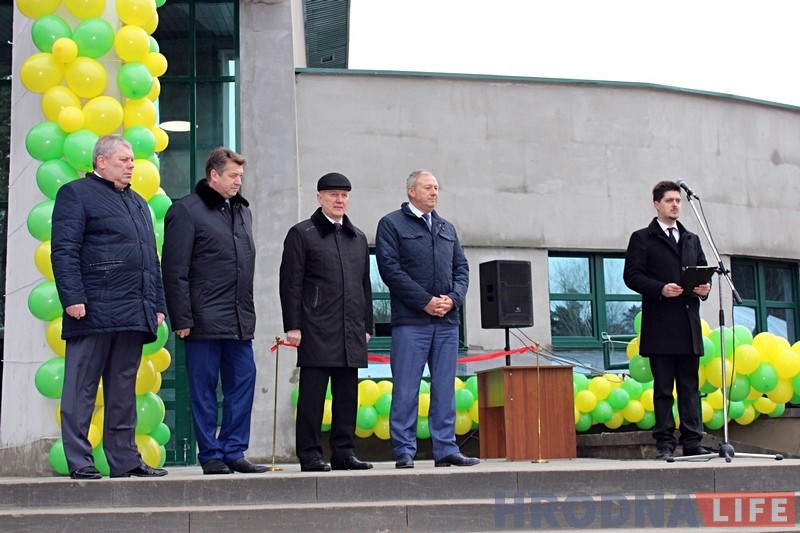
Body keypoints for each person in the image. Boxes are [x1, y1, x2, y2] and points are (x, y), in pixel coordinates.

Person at [51, 135, 168, 479]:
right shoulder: (76, 194)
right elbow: (64, 249)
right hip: (92, 310)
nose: (131, 165)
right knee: (81, 389)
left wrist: (157, 303)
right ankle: (80, 461)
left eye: (131, 160)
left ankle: (125, 459)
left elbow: (150, 258)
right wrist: (72, 297)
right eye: (123, 160)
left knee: (122, 391)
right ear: (101, 162)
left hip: (132, 311)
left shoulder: (137, 201)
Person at [161, 147, 265, 475]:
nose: (238, 182)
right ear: (214, 175)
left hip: (239, 318)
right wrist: (182, 317)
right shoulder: (186, 211)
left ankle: (234, 450)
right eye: (232, 176)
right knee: (204, 389)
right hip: (202, 319)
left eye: (240, 176)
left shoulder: (242, 211)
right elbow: (174, 269)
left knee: (243, 382)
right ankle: (210, 454)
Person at [375, 169, 478, 469]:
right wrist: (425, 302)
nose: (434, 192)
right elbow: (390, 270)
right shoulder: (391, 224)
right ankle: (404, 451)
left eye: (436, 188)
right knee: (407, 389)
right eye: (428, 187)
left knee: (444, 389)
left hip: (446, 323)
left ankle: (445, 448)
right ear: (411, 191)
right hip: (411, 323)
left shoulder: (447, 228)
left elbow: (461, 268)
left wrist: (453, 299)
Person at [279, 172, 374, 472]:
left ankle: (344, 452)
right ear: (319, 198)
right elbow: (290, 282)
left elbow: (365, 285)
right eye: (333, 194)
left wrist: (367, 325)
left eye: (344, 195)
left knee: (347, 396)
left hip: (351, 329)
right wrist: (293, 325)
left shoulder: (357, 237)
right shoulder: (302, 233)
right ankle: (309, 454)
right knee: (312, 396)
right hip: (315, 327)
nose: (339, 200)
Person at [623, 180, 712, 460]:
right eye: (669, 200)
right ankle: (665, 443)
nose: (675, 205)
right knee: (663, 389)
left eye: (678, 200)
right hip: (660, 325)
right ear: (656, 204)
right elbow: (631, 276)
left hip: (687, 324)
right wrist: (660, 288)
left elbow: (702, 270)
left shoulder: (691, 239)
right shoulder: (643, 238)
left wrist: (705, 288)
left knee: (689, 387)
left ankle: (693, 441)